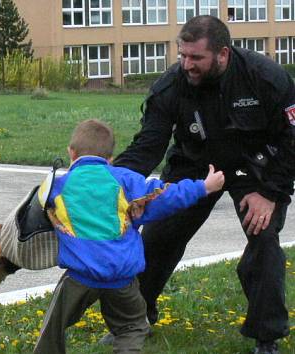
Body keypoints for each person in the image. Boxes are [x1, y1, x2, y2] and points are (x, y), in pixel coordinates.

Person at [112, 15, 295, 354]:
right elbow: (148, 145)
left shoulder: (265, 78)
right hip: (195, 166)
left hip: (253, 170)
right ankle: (137, 318)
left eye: (196, 58)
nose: (186, 64)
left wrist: (271, 193)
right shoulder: (171, 85)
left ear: (222, 54)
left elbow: (292, 140)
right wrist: (109, 179)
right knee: (158, 234)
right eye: (182, 55)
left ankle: (266, 338)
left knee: (264, 241)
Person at [33, 119, 225, 354]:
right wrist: (203, 187)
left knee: (53, 328)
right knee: (133, 326)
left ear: (71, 153)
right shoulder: (125, 181)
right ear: (110, 159)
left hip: (79, 277)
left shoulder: (56, 187)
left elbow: (30, 218)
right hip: (122, 277)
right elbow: (165, 196)